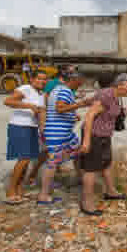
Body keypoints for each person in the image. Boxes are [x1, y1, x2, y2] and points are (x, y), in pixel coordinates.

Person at [79, 73, 127, 216]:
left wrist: (121, 112)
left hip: (104, 135)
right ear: (119, 85)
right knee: (91, 170)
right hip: (94, 135)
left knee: (106, 164)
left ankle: (111, 191)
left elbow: (91, 101)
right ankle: (87, 203)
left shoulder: (115, 96)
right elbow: (90, 116)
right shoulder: (107, 95)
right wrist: (86, 141)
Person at [37, 71, 90, 205]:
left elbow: (60, 109)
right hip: (57, 132)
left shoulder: (59, 89)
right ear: (74, 79)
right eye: (80, 82)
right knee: (53, 162)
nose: (80, 85)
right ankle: (43, 195)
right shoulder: (65, 91)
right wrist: (81, 104)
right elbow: (60, 108)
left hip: (64, 132)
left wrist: (73, 115)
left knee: (77, 151)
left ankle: (81, 178)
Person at [25, 64, 78, 186]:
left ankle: (51, 175)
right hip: (49, 121)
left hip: (54, 120)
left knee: (53, 150)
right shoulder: (53, 84)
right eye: (71, 70)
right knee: (46, 152)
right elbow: (47, 100)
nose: (73, 72)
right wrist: (48, 117)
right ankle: (33, 177)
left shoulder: (64, 84)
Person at [3, 70, 47, 205]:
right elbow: (8, 101)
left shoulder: (40, 95)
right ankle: (10, 191)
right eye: (39, 78)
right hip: (19, 126)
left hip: (31, 128)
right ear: (32, 79)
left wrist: (42, 130)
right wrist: (29, 105)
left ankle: (20, 190)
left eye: (45, 79)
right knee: (23, 159)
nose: (42, 81)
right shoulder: (25, 88)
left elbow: (40, 113)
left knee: (27, 160)